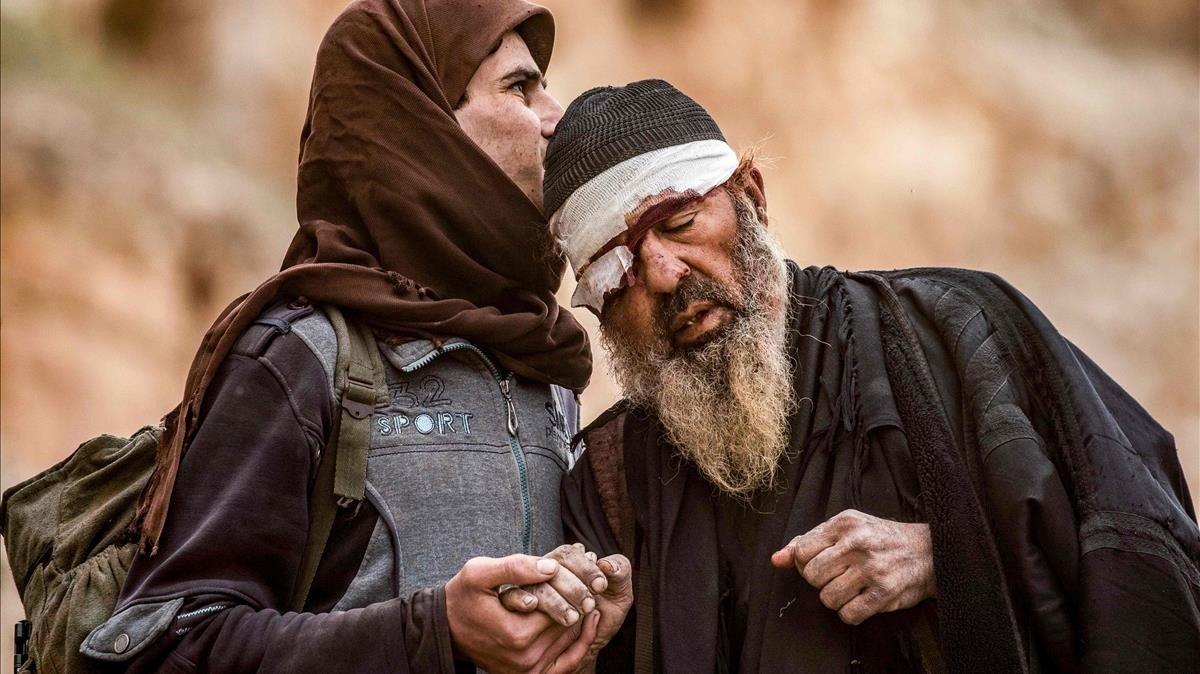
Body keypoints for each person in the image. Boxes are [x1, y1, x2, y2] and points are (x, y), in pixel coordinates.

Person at [546, 80, 1199, 672]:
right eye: (617, 268)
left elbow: (1145, 551)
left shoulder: (957, 334)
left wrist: (949, 557)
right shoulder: (608, 485)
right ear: (600, 309)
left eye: (680, 223)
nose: (663, 273)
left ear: (751, 198)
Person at [82, 1, 631, 672]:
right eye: (520, 87)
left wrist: (586, 615)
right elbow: (164, 645)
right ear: (422, 127)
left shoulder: (539, 368)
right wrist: (429, 632)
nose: (556, 115)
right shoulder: (298, 357)